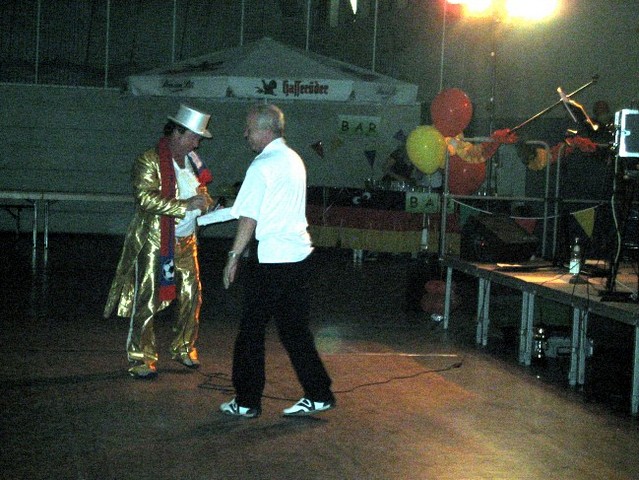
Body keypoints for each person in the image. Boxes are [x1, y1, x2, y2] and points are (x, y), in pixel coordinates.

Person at [219, 103, 335, 418]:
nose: (245, 134)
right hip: (299, 256)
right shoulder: (294, 159)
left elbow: (249, 217)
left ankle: (246, 401)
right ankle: (319, 393)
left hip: (271, 261)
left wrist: (233, 256)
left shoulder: (262, 165)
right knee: (294, 329)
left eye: (249, 129)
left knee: (251, 330)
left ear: (266, 130)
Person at [103, 104, 216, 379]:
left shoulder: (193, 162)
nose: (197, 143)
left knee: (192, 295)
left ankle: (184, 346)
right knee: (147, 298)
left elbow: (201, 193)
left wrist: (208, 205)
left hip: (186, 241)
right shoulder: (149, 160)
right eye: (194, 137)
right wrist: (185, 205)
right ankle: (140, 357)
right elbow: (145, 198)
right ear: (177, 132)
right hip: (156, 240)